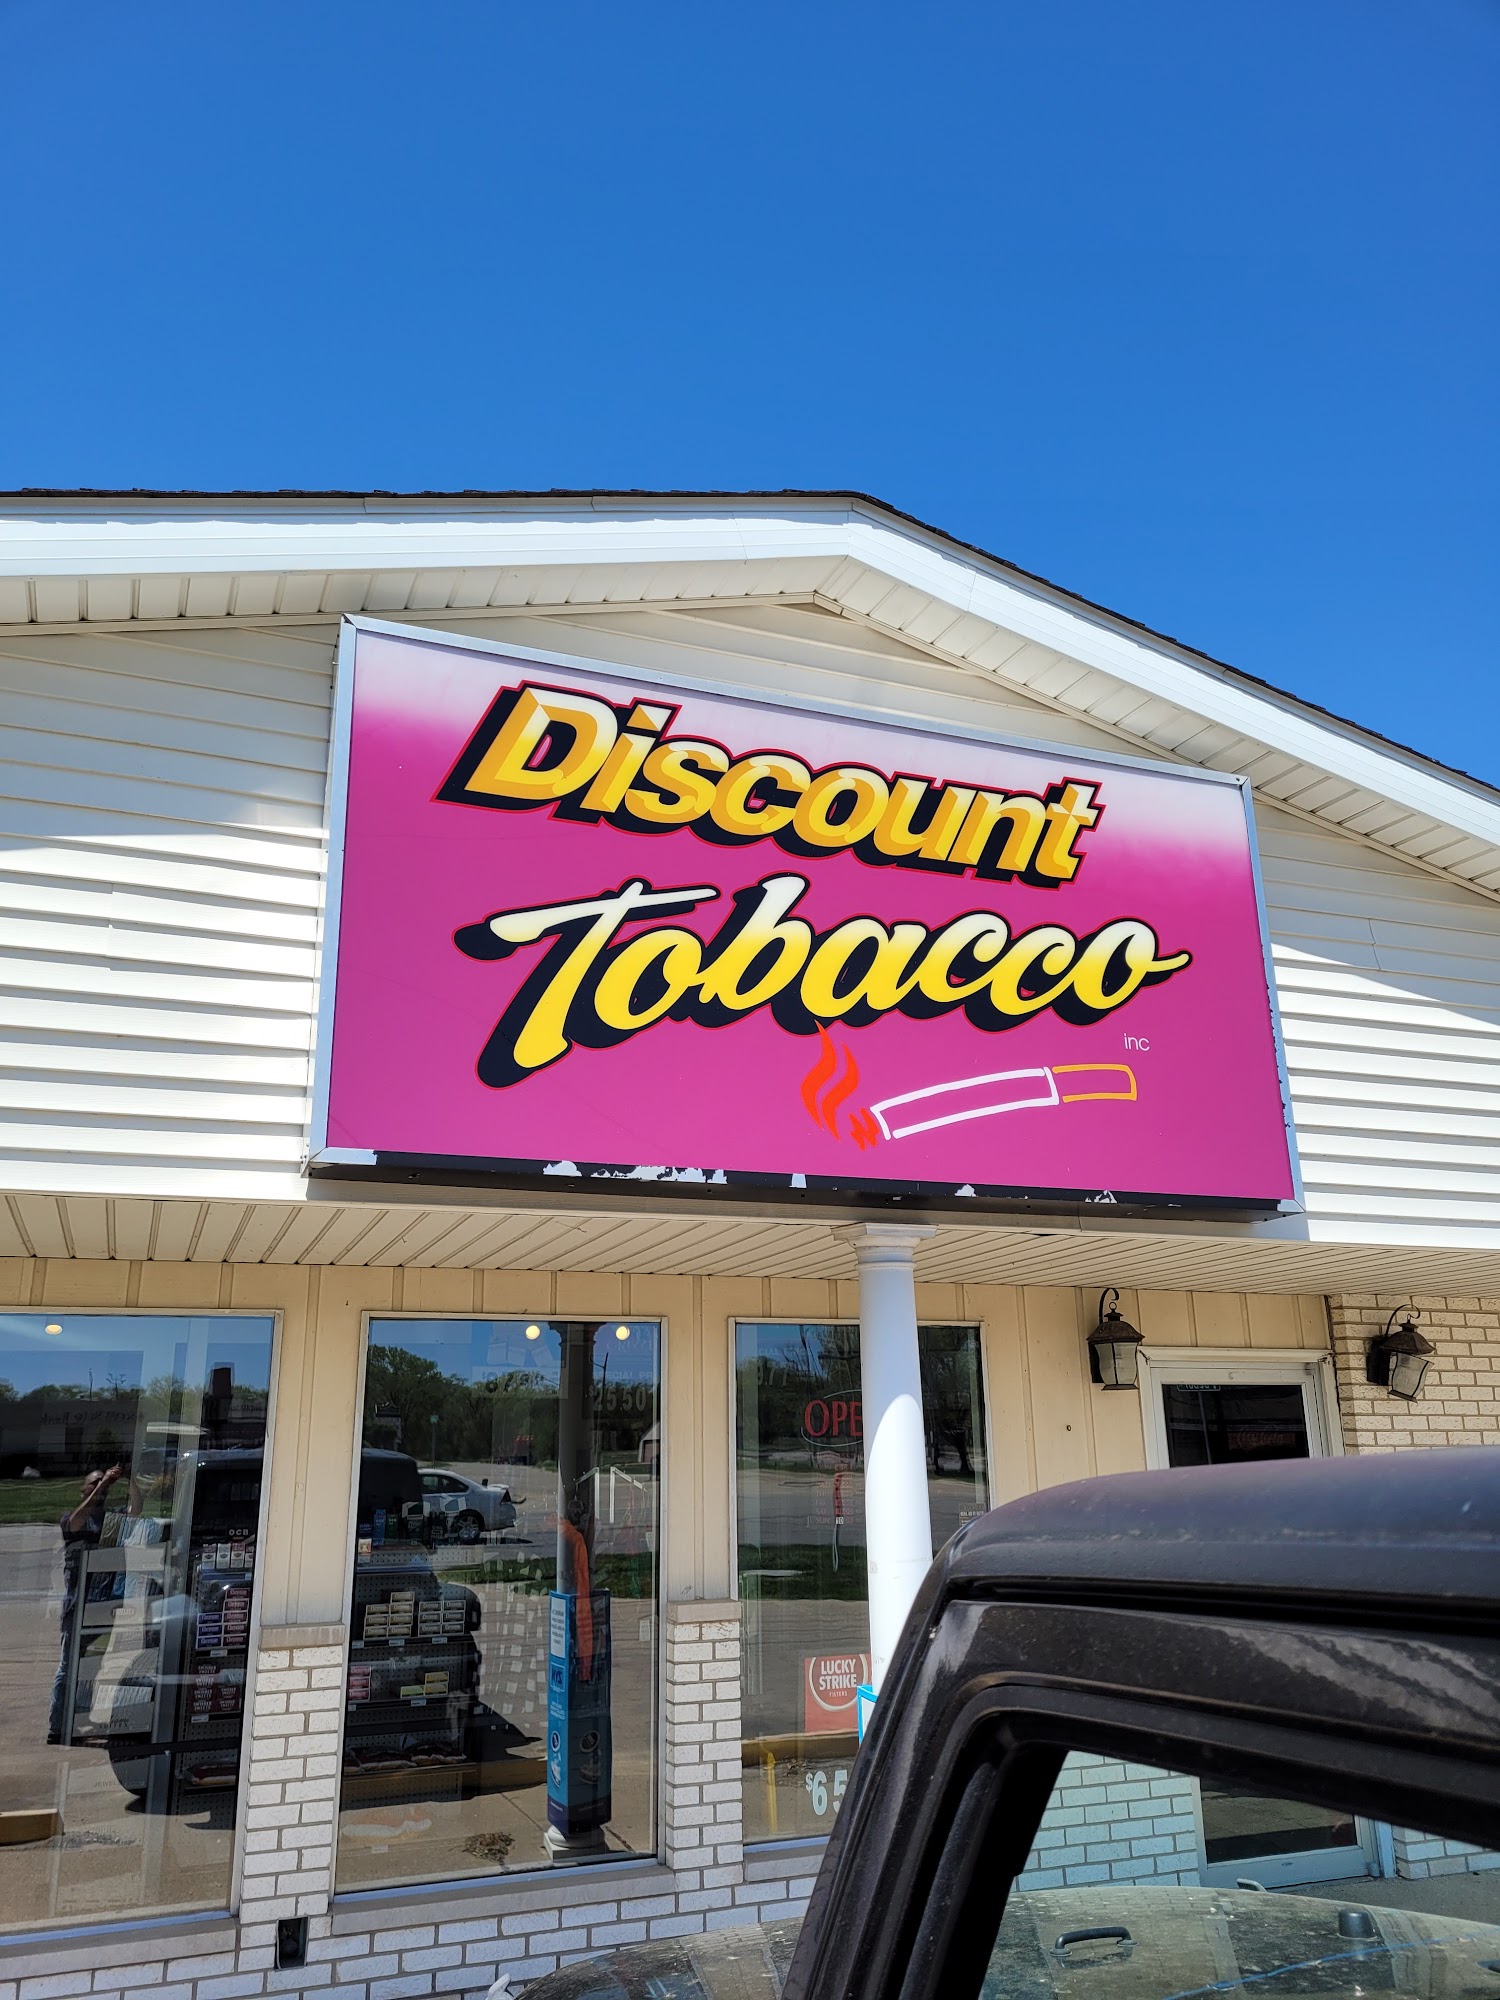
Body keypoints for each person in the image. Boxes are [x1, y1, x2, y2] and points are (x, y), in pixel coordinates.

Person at [48, 1461, 140, 1744]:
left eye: (103, 1482)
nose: (101, 1486)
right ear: (83, 1490)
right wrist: (105, 1482)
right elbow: (76, 1521)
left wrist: (129, 1480)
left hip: (102, 1606)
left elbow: (135, 1510)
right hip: (78, 1607)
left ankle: (80, 1714)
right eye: (94, 1482)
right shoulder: (72, 1519)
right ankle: (57, 1726)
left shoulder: (110, 1520)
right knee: (69, 1666)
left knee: (91, 1665)